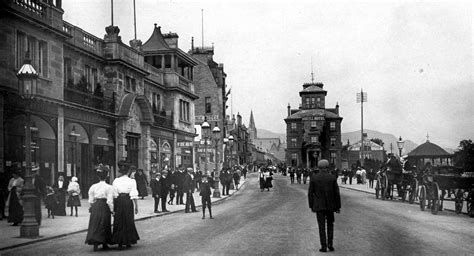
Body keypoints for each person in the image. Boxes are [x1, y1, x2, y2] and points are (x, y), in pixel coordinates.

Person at [308, 159, 341, 252]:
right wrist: (338, 207)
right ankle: (330, 244)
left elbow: (310, 193)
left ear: (319, 167)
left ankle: (323, 246)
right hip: (331, 206)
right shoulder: (332, 177)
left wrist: (311, 206)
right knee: (330, 225)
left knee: (321, 226)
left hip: (319, 206)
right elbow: (336, 193)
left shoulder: (314, 178)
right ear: (327, 167)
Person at [111, 161, 140, 250]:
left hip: (119, 201)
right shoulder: (132, 181)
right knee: (128, 220)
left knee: (119, 220)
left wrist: (113, 207)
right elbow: (134, 194)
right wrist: (136, 206)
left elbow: (114, 194)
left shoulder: (116, 180)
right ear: (128, 171)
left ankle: (119, 241)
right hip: (127, 201)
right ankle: (128, 241)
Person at [85, 167, 115, 251]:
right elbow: (109, 201)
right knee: (105, 223)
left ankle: (95, 243)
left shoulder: (93, 186)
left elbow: (90, 200)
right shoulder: (109, 187)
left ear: (98, 177)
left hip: (95, 206)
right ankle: (104, 243)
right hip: (104, 205)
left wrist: (91, 206)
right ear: (106, 177)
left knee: (95, 223)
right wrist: (112, 210)